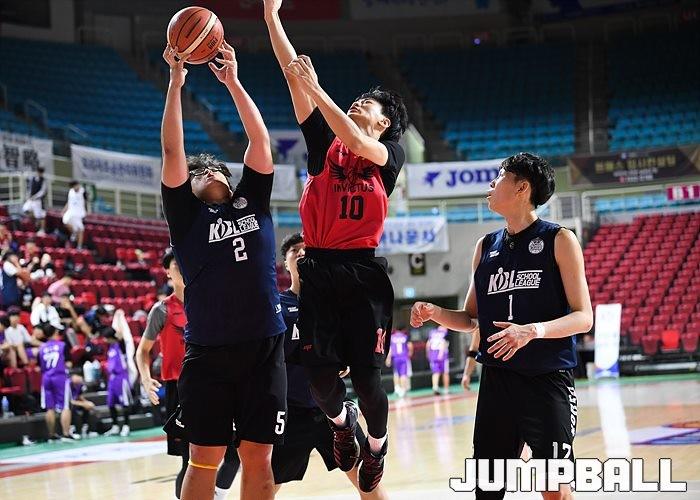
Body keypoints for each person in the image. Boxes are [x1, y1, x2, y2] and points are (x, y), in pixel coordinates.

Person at [264, 0, 408, 491]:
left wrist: (317, 88)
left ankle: (377, 447)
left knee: (367, 381)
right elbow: (293, 76)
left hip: (362, 272)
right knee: (322, 380)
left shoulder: (388, 154)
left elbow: (356, 139)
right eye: (357, 100)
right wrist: (271, 16)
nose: (357, 104)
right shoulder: (323, 146)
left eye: (367, 104)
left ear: (384, 123)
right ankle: (342, 426)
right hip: (320, 270)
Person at [410, 152, 593, 500]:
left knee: (554, 488)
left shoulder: (560, 240)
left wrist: (531, 331)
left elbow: (584, 316)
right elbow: (471, 319)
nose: (491, 185)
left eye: (500, 178)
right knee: (488, 489)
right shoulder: (485, 246)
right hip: (497, 381)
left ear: (522, 188)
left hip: (546, 378)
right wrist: (436, 312)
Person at [160, 39, 286, 500]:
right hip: (209, 353)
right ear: (189, 189)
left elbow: (260, 141)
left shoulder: (253, 201)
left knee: (260, 458)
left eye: (217, 170)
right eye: (200, 173)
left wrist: (233, 81)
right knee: (204, 458)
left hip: (264, 348)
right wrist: (176, 83)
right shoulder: (187, 219)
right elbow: (172, 151)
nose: (210, 172)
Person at [272, 233, 388, 499]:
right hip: (291, 412)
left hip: (332, 412)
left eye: (306, 249)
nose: (301, 253)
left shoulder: (333, 304)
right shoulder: (277, 305)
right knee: (266, 484)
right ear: (285, 262)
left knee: (367, 483)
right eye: (294, 250)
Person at [136, 250, 240, 500]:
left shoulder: (208, 305)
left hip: (214, 386)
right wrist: (146, 378)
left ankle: (218, 495)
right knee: (190, 460)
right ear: (167, 272)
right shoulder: (161, 310)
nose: (182, 268)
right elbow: (143, 351)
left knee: (234, 454)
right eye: (176, 264)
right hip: (180, 390)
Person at [37, 325, 77, 441]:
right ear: (55, 332)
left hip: (46, 378)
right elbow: (69, 364)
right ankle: (66, 434)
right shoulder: (62, 345)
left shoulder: (41, 348)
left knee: (49, 407)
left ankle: (51, 435)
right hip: (59, 377)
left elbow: (40, 365)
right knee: (65, 406)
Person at [103, 325, 132, 437]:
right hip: (112, 379)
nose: (105, 340)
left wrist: (118, 324)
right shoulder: (110, 347)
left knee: (125, 403)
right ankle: (115, 426)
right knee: (110, 403)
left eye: (106, 337)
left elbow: (122, 337)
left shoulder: (121, 345)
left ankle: (126, 426)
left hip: (121, 377)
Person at [69, 371, 97, 438]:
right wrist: (83, 404)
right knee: (73, 409)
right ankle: (74, 430)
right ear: (72, 377)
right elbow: (70, 401)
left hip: (76, 403)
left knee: (87, 407)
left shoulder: (80, 385)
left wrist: (87, 403)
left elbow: (79, 396)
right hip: (67, 405)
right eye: (77, 376)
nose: (79, 378)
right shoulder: (68, 385)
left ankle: (86, 429)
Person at [386, 329, 412, 398]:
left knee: (396, 373)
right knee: (403, 374)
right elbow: (410, 346)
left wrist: (388, 359)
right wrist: (409, 354)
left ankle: (397, 389)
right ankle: (403, 390)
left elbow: (390, 349)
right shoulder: (405, 336)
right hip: (403, 357)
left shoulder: (392, 337)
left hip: (395, 357)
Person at [62, 180, 88, 249]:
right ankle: (74, 232)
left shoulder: (83, 191)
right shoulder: (71, 192)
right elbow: (69, 202)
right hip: (71, 212)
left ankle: (79, 246)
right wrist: (64, 209)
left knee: (81, 229)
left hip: (79, 214)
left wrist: (86, 211)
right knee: (65, 221)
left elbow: (86, 202)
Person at [22, 166, 47, 234]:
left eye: (41, 172)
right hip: (31, 199)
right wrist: (28, 196)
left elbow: (42, 191)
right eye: (39, 172)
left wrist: (35, 197)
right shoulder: (32, 178)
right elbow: (29, 188)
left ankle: (41, 229)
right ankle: (34, 223)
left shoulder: (43, 180)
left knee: (41, 216)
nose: (39, 173)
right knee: (25, 209)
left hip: (38, 201)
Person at [426, 326, 450, 395]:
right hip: (443, 356)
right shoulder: (444, 333)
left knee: (435, 372)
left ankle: (435, 387)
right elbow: (444, 343)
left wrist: (428, 354)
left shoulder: (432, 333)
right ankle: (446, 389)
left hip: (433, 355)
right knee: (445, 372)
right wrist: (441, 354)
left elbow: (428, 345)